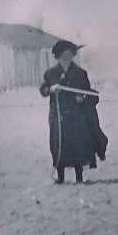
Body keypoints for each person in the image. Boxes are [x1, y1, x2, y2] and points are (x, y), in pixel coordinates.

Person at [39, 40, 108, 183]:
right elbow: (43, 90)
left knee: (78, 143)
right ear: (58, 55)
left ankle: (79, 176)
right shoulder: (50, 73)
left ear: (73, 55)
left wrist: (82, 98)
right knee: (59, 142)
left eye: (69, 54)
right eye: (63, 54)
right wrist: (51, 89)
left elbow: (88, 92)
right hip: (58, 114)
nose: (66, 57)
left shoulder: (80, 73)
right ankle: (60, 176)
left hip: (76, 114)